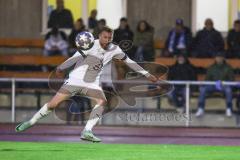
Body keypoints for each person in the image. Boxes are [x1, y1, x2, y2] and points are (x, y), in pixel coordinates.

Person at [15, 26, 158, 142]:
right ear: (99, 36)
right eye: (104, 37)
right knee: (53, 105)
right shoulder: (89, 44)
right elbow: (74, 57)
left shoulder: (114, 49)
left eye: (110, 37)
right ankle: (31, 122)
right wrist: (61, 68)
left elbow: (129, 62)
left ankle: (87, 131)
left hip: (91, 83)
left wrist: (146, 74)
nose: (107, 40)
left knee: (102, 101)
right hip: (75, 80)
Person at [195, 52, 235, 117]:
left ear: (223, 58)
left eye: (220, 57)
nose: (219, 59)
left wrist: (223, 83)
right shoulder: (211, 67)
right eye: (217, 57)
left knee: (228, 90)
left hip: (223, 86)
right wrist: (205, 85)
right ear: (215, 58)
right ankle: (200, 108)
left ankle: (229, 109)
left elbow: (231, 79)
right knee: (203, 89)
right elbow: (207, 79)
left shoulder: (228, 67)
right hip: (213, 86)